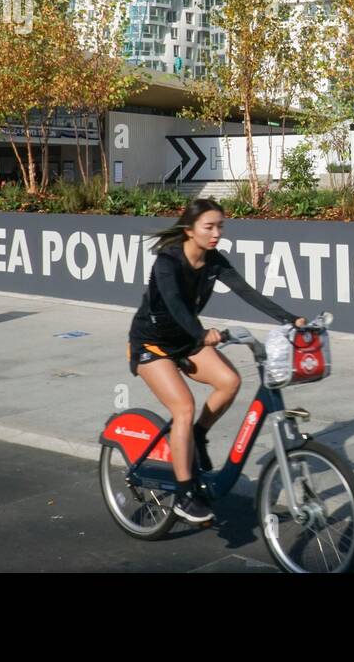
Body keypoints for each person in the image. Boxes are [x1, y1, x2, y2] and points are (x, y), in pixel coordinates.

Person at [127, 197, 305, 526]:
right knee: (183, 406)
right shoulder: (168, 261)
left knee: (230, 381)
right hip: (152, 344)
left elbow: (248, 292)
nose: (216, 233)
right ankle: (183, 494)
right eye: (209, 227)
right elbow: (176, 304)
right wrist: (200, 332)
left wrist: (289, 319)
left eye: (220, 226)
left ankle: (196, 436)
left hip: (187, 339)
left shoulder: (213, 261)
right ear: (189, 229)